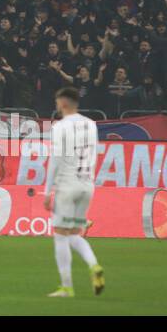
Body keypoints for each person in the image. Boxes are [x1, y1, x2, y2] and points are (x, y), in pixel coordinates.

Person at [44, 87, 104, 298]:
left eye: (57, 101)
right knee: (73, 234)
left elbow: (55, 160)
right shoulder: (91, 124)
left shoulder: (60, 126)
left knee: (60, 236)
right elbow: (95, 152)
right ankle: (94, 265)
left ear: (63, 102)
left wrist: (47, 191)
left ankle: (67, 287)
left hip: (67, 186)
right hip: (87, 185)